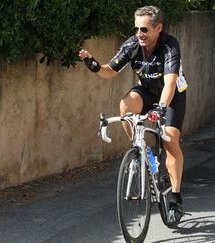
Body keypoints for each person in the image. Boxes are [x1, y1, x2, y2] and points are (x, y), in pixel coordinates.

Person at [79, 6, 187, 224]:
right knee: (125, 106)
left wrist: (161, 108)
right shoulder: (132, 44)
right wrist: (94, 66)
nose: (139, 34)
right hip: (147, 90)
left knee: (171, 140)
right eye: (136, 29)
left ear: (158, 28)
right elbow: (110, 70)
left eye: (144, 29)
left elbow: (170, 82)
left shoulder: (169, 45)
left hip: (172, 94)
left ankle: (175, 197)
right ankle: (138, 148)